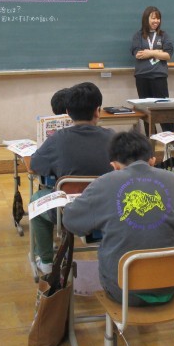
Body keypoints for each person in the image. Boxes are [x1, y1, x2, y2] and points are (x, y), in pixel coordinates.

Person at [63, 131, 174, 305]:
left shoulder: (102, 184)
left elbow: (71, 221)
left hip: (123, 291)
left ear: (114, 166)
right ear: (152, 161)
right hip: (172, 285)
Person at [29, 82, 115, 272]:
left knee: (36, 200)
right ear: (98, 111)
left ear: (67, 112)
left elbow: (35, 165)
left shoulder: (57, 139)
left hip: (69, 211)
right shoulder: (112, 137)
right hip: (108, 208)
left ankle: (46, 262)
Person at [131, 6, 174, 133]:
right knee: (146, 111)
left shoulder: (163, 35)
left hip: (159, 76)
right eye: (153, 18)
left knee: (164, 109)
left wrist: (150, 52)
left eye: (158, 18)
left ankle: (170, 138)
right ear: (146, 19)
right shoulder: (138, 36)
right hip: (142, 77)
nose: (156, 21)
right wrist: (158, 52)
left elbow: (168, 55)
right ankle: (150, 139)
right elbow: (138, 54)